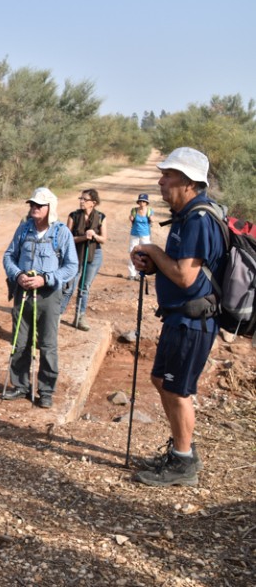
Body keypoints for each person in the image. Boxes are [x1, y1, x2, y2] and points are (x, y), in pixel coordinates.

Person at [131, 147, 223, 487]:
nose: (160, 181)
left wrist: (153, 250)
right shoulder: (188, 217)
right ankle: (183, 451)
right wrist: (154, 264)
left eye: (167, 175)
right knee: (163, 381)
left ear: (187, 182)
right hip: (180, 319)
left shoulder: (199, 220)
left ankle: (183, 463)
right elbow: (184, 273)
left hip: (192, 322)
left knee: (177, 388)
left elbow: (186, 277)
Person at [2, 187, 78, 409]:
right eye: (32, 204)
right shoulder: (24, 229)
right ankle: (20, 386)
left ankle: (45, 390)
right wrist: (17, 274)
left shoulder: (61, 233)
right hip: (23, 292)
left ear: (49, 208)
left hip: (48, 294)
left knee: (47, 343)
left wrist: (46, 279)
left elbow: (71, 266)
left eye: (39, 205)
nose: (34, 208)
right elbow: (9, 256)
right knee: (20, 340)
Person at [59, 189, 108, 331]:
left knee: (84, 287)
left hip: (95, 254)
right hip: (74, 254)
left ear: (93, 203)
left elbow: (103, 239)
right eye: (81, 198)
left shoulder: (101, 217)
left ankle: (80, 317)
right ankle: (57, 315)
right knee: (69, 286)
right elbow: (66, 240)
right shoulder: (73, 216)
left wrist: (94, 235)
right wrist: (83, 238)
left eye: (85, 199)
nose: (81, 201)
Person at [127, 193, 153, 280]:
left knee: (145, 254)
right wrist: (130, 218)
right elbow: (131, 218)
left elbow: (152, 220)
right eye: (140, 201)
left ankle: (142, 273)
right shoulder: (134, 210)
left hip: (145, 235)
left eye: (143, 201)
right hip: (134, 234)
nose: (142, 203)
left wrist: (152, 219)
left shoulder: (150, 211)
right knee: (132, 253)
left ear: (146, 203)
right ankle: (132, 274)